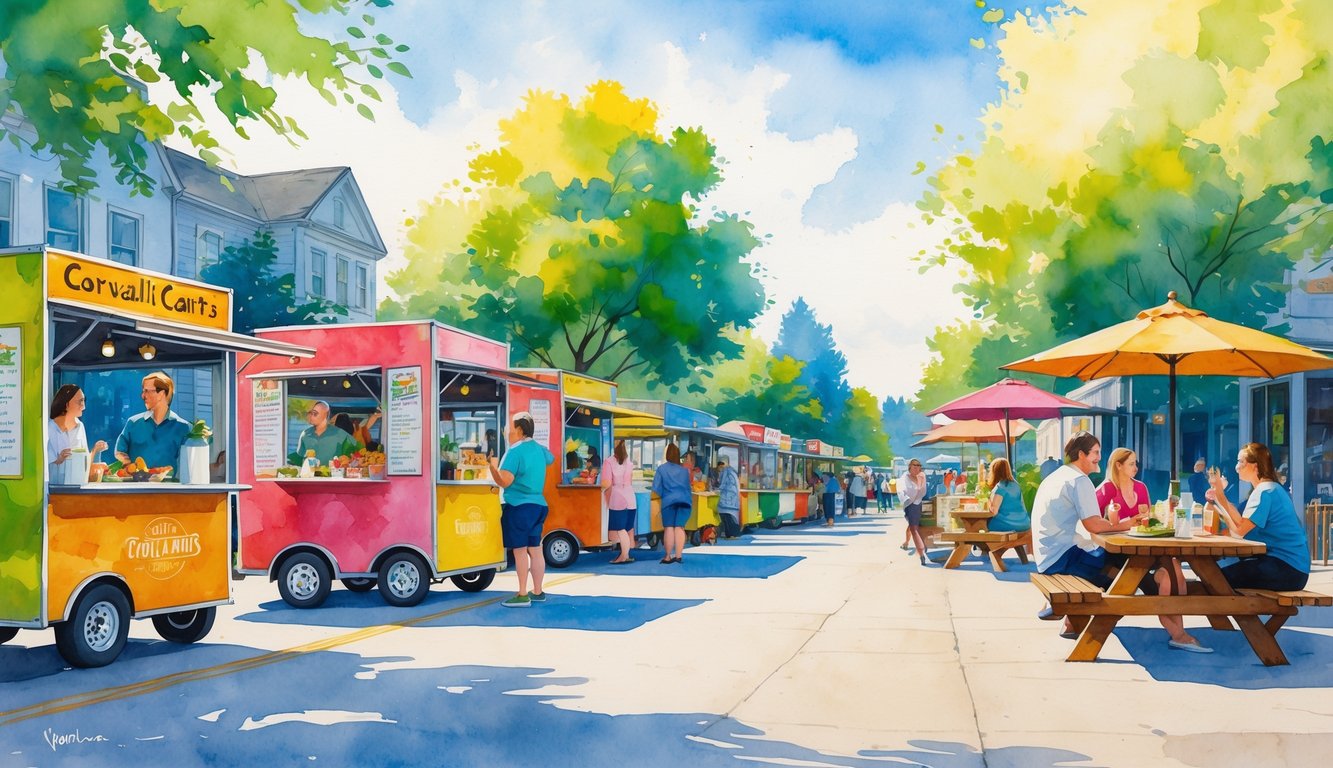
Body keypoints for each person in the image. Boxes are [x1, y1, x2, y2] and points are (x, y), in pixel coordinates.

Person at [1095, 448, 1208, 651]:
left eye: (1136, 463)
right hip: (1119, 554)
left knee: (1173, 571)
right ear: (1118, 465)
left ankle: (1178, 633)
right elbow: (1096, 526)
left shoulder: (1140, 488)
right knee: (1171, 571)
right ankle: (1179, 634)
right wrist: (1113, 518)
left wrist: (1157, 515)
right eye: (1131, 464)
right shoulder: (1105, 490)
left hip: (1146, 547)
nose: (1136, 468)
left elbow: (1148, 520)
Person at [1207, 443, 1310, 591]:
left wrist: (1220, 494)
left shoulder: (1264, 492)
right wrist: (1220, 497)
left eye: (1241, 462)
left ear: (1255, 466)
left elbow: (1239, 531)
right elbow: (1241, 523)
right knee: (1217, 579)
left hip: (1287, 569)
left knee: (1216, 581)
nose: (1237, 467)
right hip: (1291, 568)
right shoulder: (1268, 489)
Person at [489, 411, 554, 607]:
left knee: (519, 551)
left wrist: (492, 468)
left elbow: (505, 481)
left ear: (519, 430)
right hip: (539, 506)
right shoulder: (539, 450)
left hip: (519, 506)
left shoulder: (515, 452)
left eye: (510, 427)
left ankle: (522, 594)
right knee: (536, 550)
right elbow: (550, 458)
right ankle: (538, 591)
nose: (507, 431)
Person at [114, 372, 192, 474]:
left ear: (161, 394)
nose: (143, 396)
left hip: (169, 488)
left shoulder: (184, 428)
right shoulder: (133, 423)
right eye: (143, 391)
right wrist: (128, 464)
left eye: (147, 391)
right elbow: (120, 450)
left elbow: (189, 464)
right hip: (136, 487)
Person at [48, 384, 108, 478]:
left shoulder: (80, 426)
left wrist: (95, 450)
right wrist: (59, 459)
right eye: (80, 402)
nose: (83, 407)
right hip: (55, 489)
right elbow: (43, 465)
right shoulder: (49, 428)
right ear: (66, 404)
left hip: (76, 487)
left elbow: (84, 464)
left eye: (84, 401)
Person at [652, 443, 693, 564]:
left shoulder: (661, 469)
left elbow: (656, 488)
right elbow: (688, 487)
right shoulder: (684, 471)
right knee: (679, 528)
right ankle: (679, 556)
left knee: (669, 528)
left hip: (668, 501)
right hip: (684, 501)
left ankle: (668, 556)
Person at [601, 439, 637, 564]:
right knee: (626, 528)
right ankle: (625, 554)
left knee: (620, 528)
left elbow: (606, 483)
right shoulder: (629, 463)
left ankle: (624, 555)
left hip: (617, 498)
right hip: (630, 497)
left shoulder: (608, 462)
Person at [296, 400, 355, 465]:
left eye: (315, 413)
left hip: (333, 474)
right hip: (309, 474)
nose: (311, 416)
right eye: (310, 413)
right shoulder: (305, 434)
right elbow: (299, 458)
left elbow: (358, 452)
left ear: (325, 415)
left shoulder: (340, 433)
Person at [985, 458, 1029, 532]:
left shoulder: (1000, 487)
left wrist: (987, 499)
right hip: (1024, 523)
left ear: (994, 471)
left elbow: (994, 512)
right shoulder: (1016, 485)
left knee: (981, 526)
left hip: (1007, 524)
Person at [900, 459, 930, 565]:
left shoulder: (921, 476)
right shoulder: (905, 477)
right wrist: (908, 500)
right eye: (914, 466)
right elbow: (902, 490)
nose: (917, 467)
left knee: (913, 526)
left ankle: (909, 544)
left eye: (918, 466)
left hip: (918, 504)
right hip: (909, 505)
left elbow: (923, 491)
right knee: (914, 528)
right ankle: (921, 551)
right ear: (909, 467)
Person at [716, 458, 742, 538]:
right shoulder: (732, 471)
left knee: (726, 516)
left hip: (727, 498)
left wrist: (717, 490)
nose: (719, 469)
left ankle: (730, 534)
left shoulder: (726, 471)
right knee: (731, 517)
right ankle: (731, 533)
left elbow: (723, 484)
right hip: (733, 497)